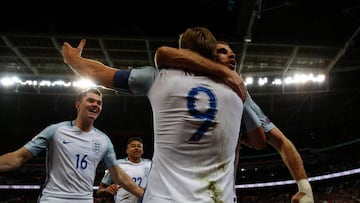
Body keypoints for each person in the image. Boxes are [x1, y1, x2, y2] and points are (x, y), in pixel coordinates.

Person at [61, 31, 312, 202]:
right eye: (223, 52)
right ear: (208, 56)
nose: (231, 55)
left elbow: (108, 72)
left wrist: (74, 62)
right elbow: (263, 141)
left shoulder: (160, 78)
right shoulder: (237, 92)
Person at [156, 41, 314, 203]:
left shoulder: (241, 95)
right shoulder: (186, 81)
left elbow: (279, 142)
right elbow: (163, 54)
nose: (231, 55)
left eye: (232, 52)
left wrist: (305, 188)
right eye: (222, 52)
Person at [0, 88, 144, 203]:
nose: (95, 105)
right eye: (91, 101)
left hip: (84, 199)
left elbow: (118, 175)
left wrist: (143, 195)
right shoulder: (56, 131)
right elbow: (18, 158)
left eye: (99, 103)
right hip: (53, 198)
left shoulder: (103, 140)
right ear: (78, 105)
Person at [96, 137, 152, 203]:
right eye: (133, 146)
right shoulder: (116, 165)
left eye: (139, 146)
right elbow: (99, 191)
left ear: (142, 151)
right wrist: (107, 190)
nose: (136, 148)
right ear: (127, 150)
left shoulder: (150, 165)